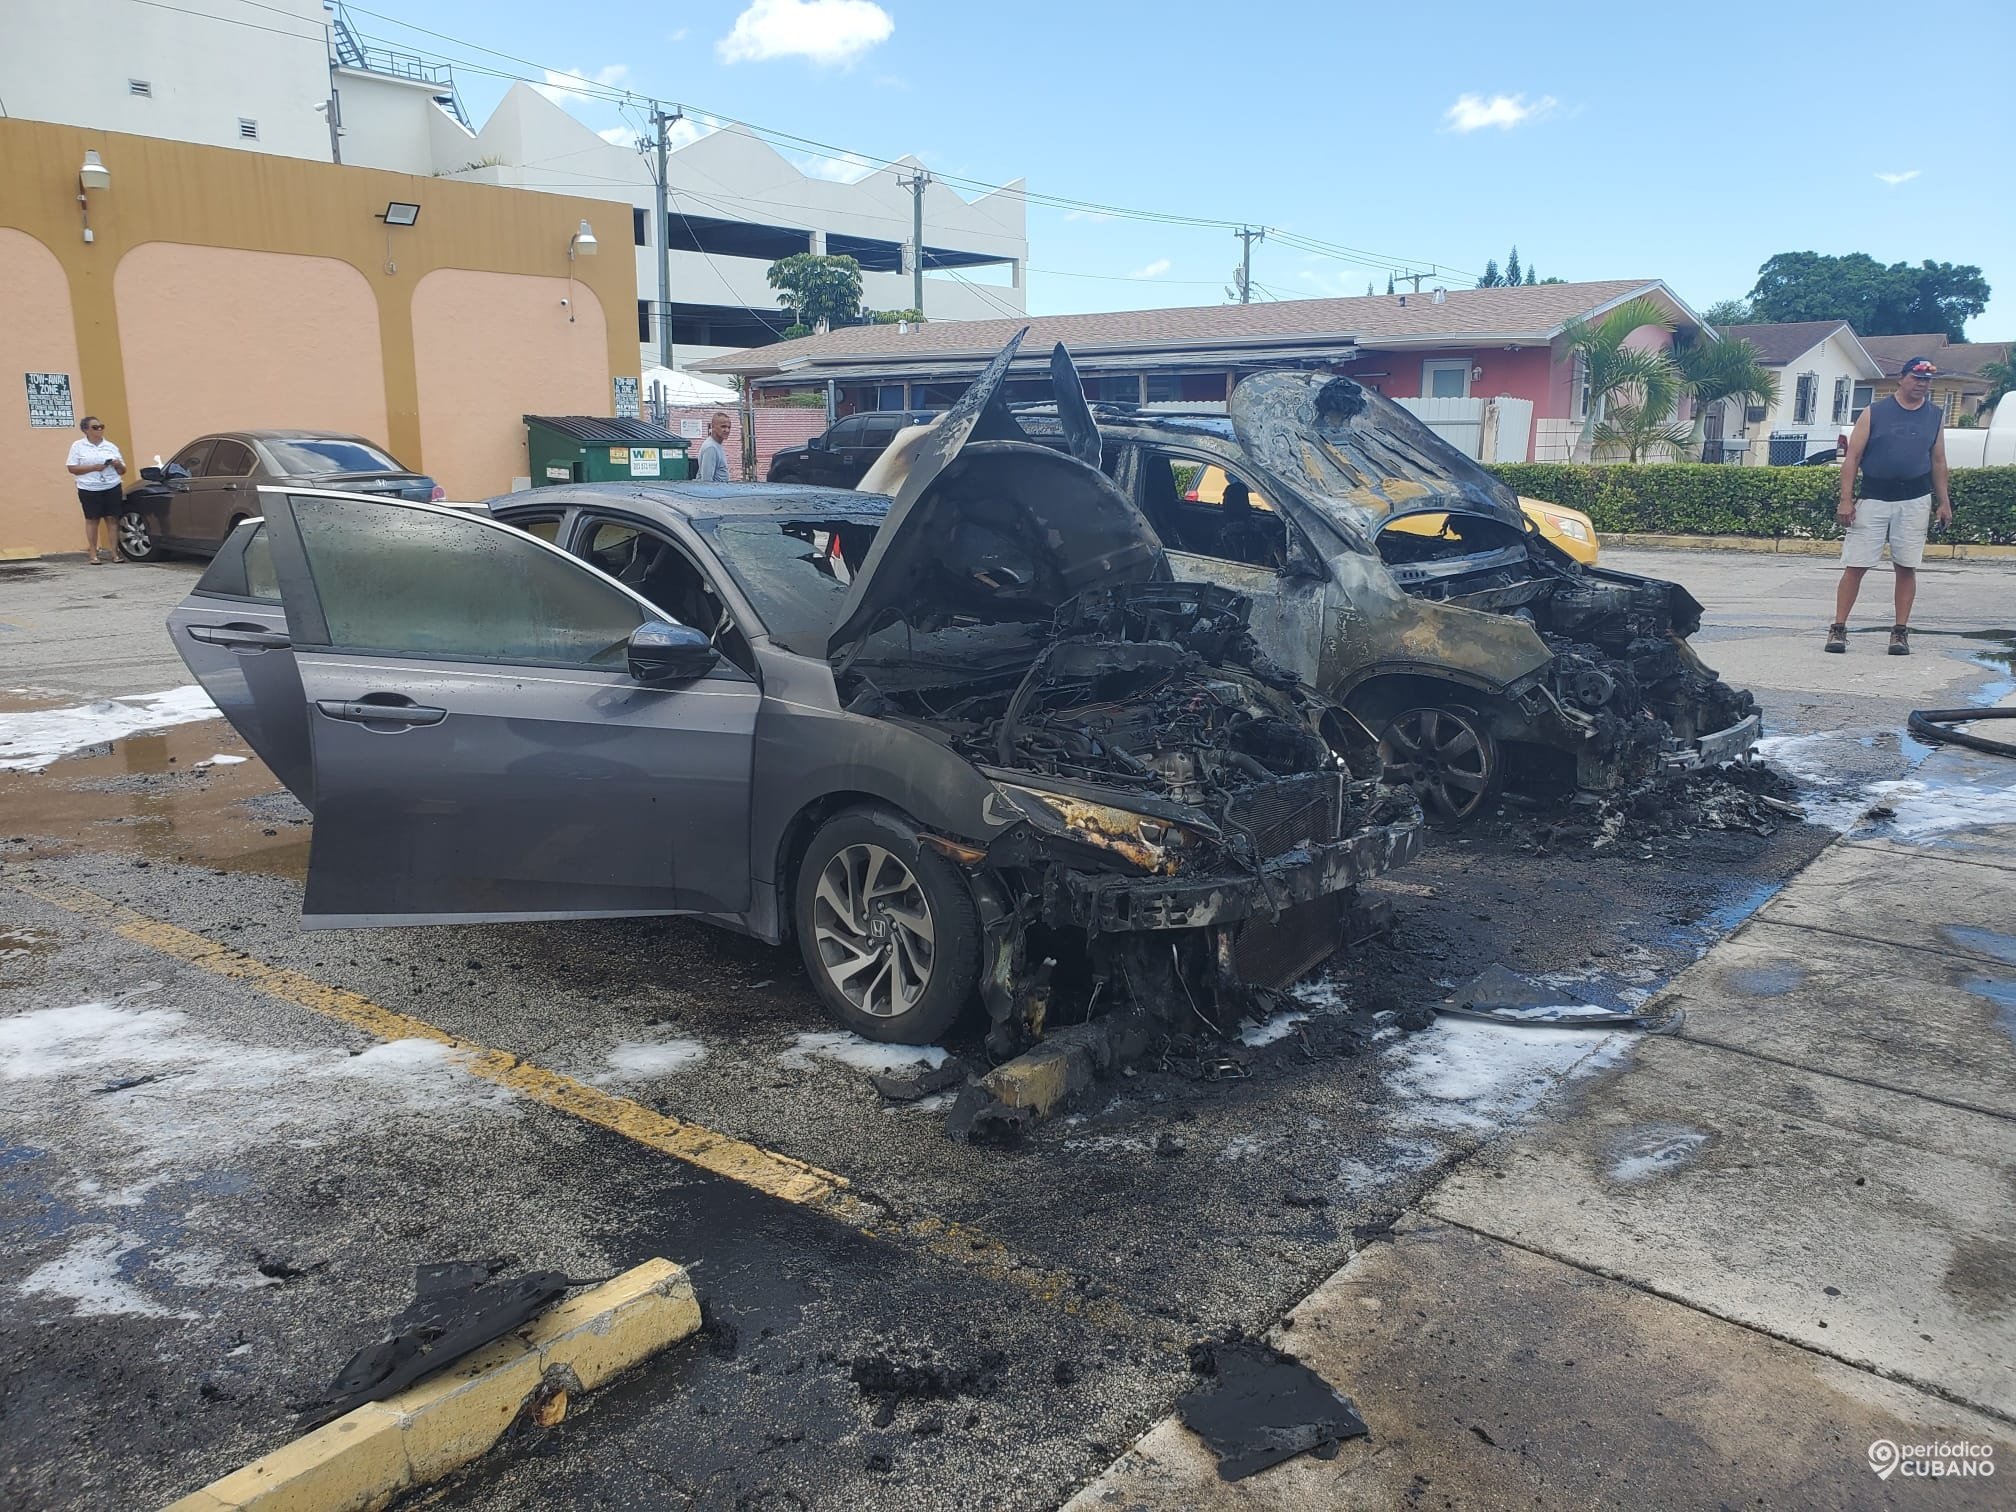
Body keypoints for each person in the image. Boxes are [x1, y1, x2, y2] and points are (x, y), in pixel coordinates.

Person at [1827, 357, 1951, 656]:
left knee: (1906, 566)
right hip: (1874, 497)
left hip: (1914, 499)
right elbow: (1852, 458)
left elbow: (1938, 460)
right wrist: (1846, 498)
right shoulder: (1875, 412)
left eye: (1927, 380)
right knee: (1855, 565)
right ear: (1902, 378)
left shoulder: (1934, 415)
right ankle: (1839, 628)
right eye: (1917, 378)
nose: (1921, 385)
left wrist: (1944, 502)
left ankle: (1899, 633)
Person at [65, 415, 127, 565]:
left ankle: (114, 552)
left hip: (111, 485)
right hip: (89, 487)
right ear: (86, 430)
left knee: (112, 518)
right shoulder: (78, 446)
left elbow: (123, 470)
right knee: (92, 519)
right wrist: (93, 467)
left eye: (101, 426)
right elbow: (72, 468)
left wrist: (117, 464)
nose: (99, 430)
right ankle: (93, 552)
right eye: (95, 427)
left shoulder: (110, 446)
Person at [694, 411, 732, 483]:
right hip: (715, 492)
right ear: (713, 427)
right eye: (723, 426)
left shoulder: (716, 445)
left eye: (729, 427)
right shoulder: (711, 448)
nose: (727, 430)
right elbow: (706, 481)